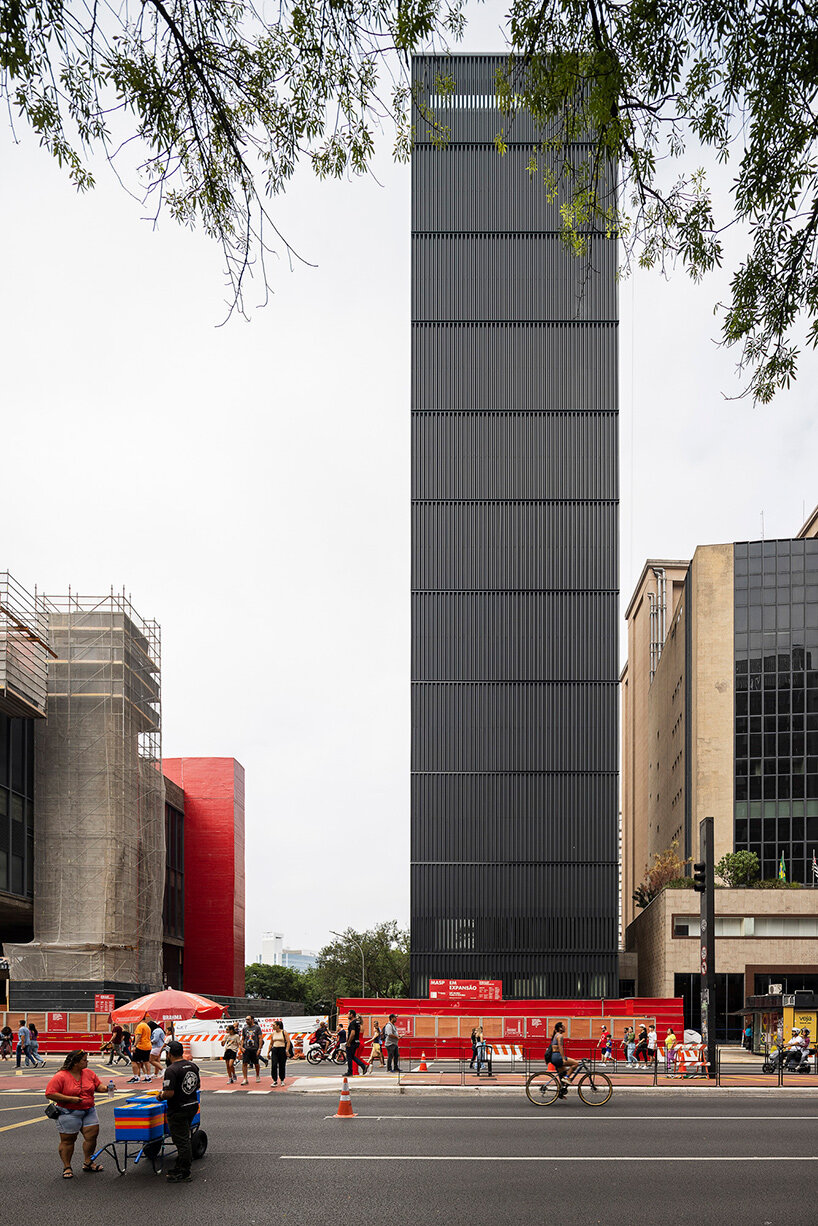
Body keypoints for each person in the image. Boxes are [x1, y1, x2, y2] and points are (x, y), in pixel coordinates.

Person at [45, 1050, 105, 1178]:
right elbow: (49, 1093)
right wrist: (70, 1099)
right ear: (75, 1063)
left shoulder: (89, 1073)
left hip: (89, 1110)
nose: (87, 1061)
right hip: (68, 1112)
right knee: (68, 1140)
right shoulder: (61, 1076)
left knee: (92, 1137)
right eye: (84, 1060)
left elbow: (97, 1086)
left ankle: (88, 1162)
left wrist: (105, 1088)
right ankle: (67, 1167)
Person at [158, 1040, 201, 1183]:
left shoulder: (171, 1070)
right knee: (185, 1137)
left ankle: (184, 1171)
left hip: (178, 1108)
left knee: (181, 1141)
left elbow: (168, 1093)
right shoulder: (193, 1066)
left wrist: (160, 1096)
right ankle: (180, 1164)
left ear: (169, 1054)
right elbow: (198, 1085)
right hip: (192, 1105)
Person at [547, 1022, 578, 1096]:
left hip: (554, 1057)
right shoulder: (560, 1036)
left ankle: (561, 1092)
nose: (565, 1028)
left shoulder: (555, 1035)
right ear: (560, 1028)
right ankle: (567, 1077)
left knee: (562, 1074)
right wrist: (563, 1058)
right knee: (575, 1063)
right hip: (557, 1057)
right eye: (564, 1026)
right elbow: (560, 1047)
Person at [128, 1012, 154, 1083]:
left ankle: (136, 1077)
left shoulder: (140, 1026)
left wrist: (134, 1045)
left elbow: (138, 1036)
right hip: (148, 1046)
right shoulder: (147, 1026)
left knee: (134, 1061)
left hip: (140, 1046)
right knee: (146, 1061)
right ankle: (148, 1077)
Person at [345, 1009, 369, 1076]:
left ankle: (350, 1071)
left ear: (351, 1015)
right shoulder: (358, 1023)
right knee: (353, 1056)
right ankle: (363, 1066)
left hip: (352, 1042)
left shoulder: (352, 1023)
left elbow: (352, 1033)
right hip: (357, 1042)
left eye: (348, 1014)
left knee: (349, 1057)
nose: (347, 1015)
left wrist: (348, 1042)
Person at [241, 1014, 263, 1085]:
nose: (246, 1021)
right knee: (244, 1063)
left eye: (248, 1019)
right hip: (246, 1048)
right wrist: (241, 1047)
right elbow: (243, 1038)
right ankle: (245, 1078)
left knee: (256, 1063)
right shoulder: (244, 1028)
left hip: (254, 1048)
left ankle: (257, 1075)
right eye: (246, 1019)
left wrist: (259, 1048)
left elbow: (260, 1038)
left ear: (252, 1020)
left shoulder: (257, 1028)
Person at [267, 1019, 291, 1086]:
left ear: (278, 1026)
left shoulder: (284, 1032)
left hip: (282, 1049)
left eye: (274, 1025)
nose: (273, 1026)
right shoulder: (273, 1033)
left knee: (282, 1065)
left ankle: (282, 1079)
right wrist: (268, 1052)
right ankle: (274, 1080)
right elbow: (271, 1043)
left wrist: (286, 1050)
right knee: (274, 1065)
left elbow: (288, 1042)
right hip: (274, 1050)